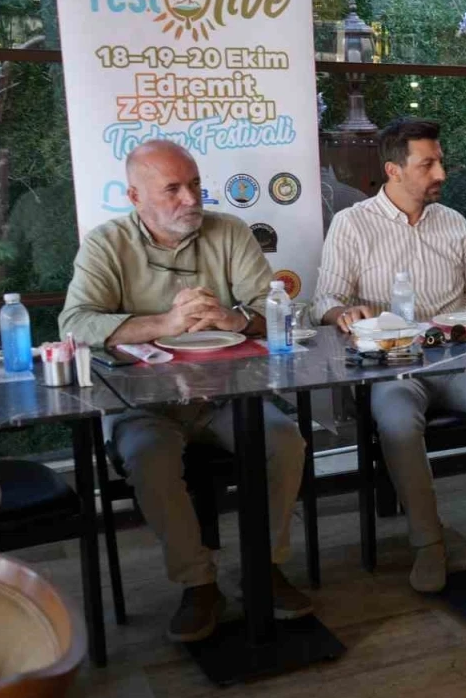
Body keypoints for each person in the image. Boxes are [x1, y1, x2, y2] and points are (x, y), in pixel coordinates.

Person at [59, 140, 311, 643]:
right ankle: (199, 583)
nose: (191, 199)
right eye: (172, 189)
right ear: (135, 196)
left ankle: (262, 566)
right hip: (142, 403)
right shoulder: (106, 244)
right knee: (148, 457)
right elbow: (75, 323)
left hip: (227, 397)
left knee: (286, 441)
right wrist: (165, 323)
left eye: (194, 184)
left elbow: (274, 309)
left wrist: (236, 318)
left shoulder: (229, 231)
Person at [312, 118, 466, 594]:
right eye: (427, 164)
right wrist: (342, 311)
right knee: (397, 419)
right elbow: (324, 301)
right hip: (395, 367)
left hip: (463, 361)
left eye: (440, 161)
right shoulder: (352, 224)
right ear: (393, 170)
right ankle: (429, 542)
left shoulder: (454, 222)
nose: (441, 172)